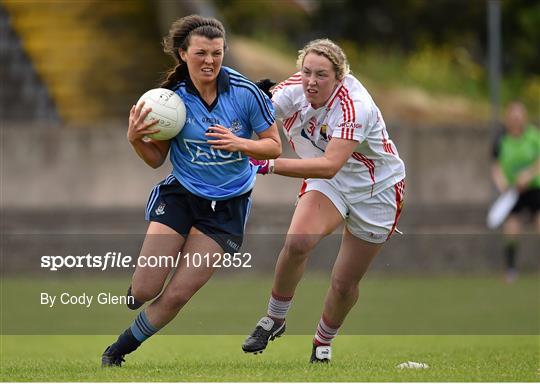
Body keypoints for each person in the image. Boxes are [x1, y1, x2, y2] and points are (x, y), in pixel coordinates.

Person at [101, 14, 281, 367]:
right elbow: (155, 160)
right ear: (183, 54)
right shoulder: (170, 101)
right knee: (145, 290)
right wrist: (135, 138)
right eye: (201, 53)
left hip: (227, 208)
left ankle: (117, 352)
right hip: (181, 197)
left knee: (178, 293)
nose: (209, 61)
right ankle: (136, 292)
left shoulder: (246, 94)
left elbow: (274, 147)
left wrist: (238, 143)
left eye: (216, 53)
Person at [243, 39, 405, 363]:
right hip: (327, 182)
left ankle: (322, 342)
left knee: (344, 283)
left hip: (376, 189)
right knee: (298, 241)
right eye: (306, 73)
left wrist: (269, 165)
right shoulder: (292, 91)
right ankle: (274, 319)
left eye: (321, 76)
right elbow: (251, 120)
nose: (311, 82)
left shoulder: (354, 104)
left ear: (339, 77)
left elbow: (331, 165)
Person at [491, 101, 540, 283]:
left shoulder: (534, 136)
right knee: (511, 227)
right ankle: (510, 269)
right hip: (513, 192)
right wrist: (502, 182)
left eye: (519, 116)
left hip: (534, 187)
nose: (516, 120)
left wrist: (528, 175)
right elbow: (495, 166)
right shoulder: (501, 140)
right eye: (512, 117)